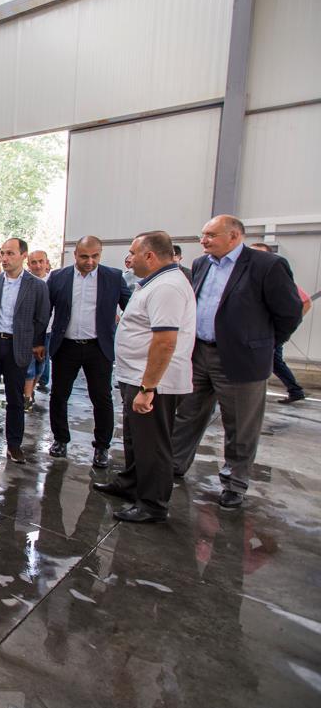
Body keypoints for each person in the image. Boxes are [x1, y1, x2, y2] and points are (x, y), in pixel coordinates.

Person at [170, 216, 303, 508]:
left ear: (234, 236)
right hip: (200, 352)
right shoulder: (201, 264)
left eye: (211, 235)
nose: (203, 240)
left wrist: (262, 344)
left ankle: (234, 483)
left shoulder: (266, 266)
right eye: (203, 234)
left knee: (240, 425)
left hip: (241, 358)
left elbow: (290, 313)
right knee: (187, 413)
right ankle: (175, 465)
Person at [93, 231, 195, 523]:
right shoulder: (154, 282)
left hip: (152, 381)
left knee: (153, 444)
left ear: (149, 256)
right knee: (136, 439)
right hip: (138, 376)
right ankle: (131, 483)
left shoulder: (167, 287)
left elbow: (165, 341)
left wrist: (148, 387)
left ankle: (152, 503)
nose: (129, 258)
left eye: (133, 252)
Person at [45, 236, 132, 468]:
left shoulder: (113, 277)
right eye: (84, 256)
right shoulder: (58, 277)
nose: (90, 261)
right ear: (75, 255)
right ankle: (60, 439)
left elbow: (132, 308)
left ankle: (102, 446)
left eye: (95, 256)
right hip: (66, 346)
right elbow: (45, 310)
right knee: (59, 395)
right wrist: (38, 341)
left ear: (100, 254)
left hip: (98, 347)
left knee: (101, 398)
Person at [0, 238, 50, 464]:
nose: (5, 258)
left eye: (10, 254)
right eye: (3, 254)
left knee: (15, 397)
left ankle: (14, 444)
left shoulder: (36, 286)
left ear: (23, 256)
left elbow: (41, 318)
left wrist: (28, 340)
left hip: (17, 346)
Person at [251, 242, 311, 403]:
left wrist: (282, 330)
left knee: (274, 363)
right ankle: (295, 390)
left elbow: (305, 302)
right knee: (275, 363)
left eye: (259, 253)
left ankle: (295, 390)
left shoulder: (276, 277)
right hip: (256, 334)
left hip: (270, 333)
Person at [23, 250, 53, 409]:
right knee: (29, 366)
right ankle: (26, 397)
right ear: (28, 264)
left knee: (41, 365)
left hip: (48, 332)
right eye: (34, 262)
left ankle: (31, 390)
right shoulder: (24, 282)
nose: (38, 265)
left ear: (47, 263)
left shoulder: (54, 281)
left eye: (41, 261)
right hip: (29, 332)